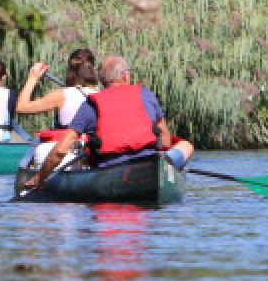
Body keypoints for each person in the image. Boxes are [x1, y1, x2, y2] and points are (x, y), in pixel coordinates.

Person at [23, 55, 194, 192]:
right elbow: (165, 140)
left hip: (110, 169)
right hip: (148, 164)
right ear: (126, 76)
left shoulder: (91, 104)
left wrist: (41, 176)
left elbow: (61, 150)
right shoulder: (146, 95)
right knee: (186, 146)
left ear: (103, 80)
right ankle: (167, 173)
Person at [15, 47, 99, 128]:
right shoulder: (101, 94)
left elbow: (22, 107)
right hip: (93, 141)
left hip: (70, 141)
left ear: (69, 70)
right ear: (93, 69)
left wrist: (32, 77)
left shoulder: (62, 95)